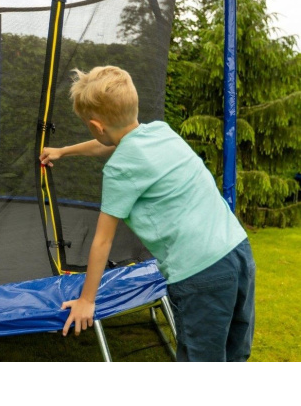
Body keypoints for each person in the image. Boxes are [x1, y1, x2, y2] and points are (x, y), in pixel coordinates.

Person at [39, 65, 256, 362]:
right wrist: (63, 151)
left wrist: (87, 300)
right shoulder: (160, 132)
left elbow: (102, 241)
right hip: (238, 252)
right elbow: (110, 144)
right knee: (235, 354)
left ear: (96, 126)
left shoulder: (119, 170)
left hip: (199, 273)